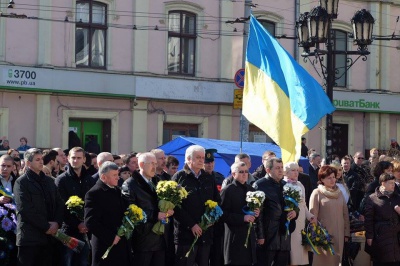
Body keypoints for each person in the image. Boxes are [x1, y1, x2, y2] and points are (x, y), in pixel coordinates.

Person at [171, 145, 221, 266]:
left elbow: (217, 201)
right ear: (188, 158)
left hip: (205, 233)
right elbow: (175, 205)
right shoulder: (179, 177)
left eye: (202, 157)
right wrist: (192, 225)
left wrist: (211, 218)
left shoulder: (208, 178)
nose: (201, 160)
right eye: (198, 157)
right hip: (186, 235)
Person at [14, 148, 64, 266]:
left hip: (49, 239)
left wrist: (57, 222)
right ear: (28, 163)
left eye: (41, 159)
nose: (41, 162)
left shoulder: (49, 181)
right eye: (37, 159)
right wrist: (46, 227)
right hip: (30, 239)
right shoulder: (21, 183)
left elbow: (59, 203)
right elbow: (25, 209)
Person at [122, 152, 172, 266]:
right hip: (143, 238)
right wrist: (155, 215)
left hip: (160, 237)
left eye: (155, 163)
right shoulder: (130, 185)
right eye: (151, 164)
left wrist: (168, 209)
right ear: (141, 164)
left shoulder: (157, 181)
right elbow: (130, 211)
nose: (154, 167)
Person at [84, 161, 132, 266]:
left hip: (121, 244)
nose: (118, 178)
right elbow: (90, 222)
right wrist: (110, 237)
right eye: (114, 175)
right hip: (105, 245)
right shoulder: (94, 193)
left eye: (117, 175)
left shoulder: (117, 190)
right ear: (104, 177)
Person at [253, 158, 297, 266]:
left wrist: (295, 213)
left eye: (281, 167)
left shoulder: (286, 185)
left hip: (284, 237)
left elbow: (294, 206)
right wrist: (260, 235)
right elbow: (258, 214)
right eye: (277, 168)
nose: (281, 170)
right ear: (268, 170)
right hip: (268, 237)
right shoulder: (260, 185)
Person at [55, 147, 95, 266]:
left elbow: (93, 204)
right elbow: (60, 207)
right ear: (68, 159)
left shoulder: (89, 180)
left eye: (79, 158)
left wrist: (87, 222)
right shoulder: (61, 180)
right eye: (73, 158)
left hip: (86, 230)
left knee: (84, 262)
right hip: (67, 231)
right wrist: (77, 224)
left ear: (84, 159)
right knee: (67, 261)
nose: (75, 160)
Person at [309, 165, 350, 265]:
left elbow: (345, 214)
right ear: (322, 179)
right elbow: (312, 216)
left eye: (333, 177)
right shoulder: (317, 193)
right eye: (329, 178)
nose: (332, 180)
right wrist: (315, 235)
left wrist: (346, 233)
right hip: (324, 235)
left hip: (339, 234)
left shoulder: (339, 193)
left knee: (337, 261)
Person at [220, 162, 259, 265]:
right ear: (233, 174)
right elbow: (222, 214)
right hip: (234, 237)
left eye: (246, 171)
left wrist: (257, 212)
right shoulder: (227, 191)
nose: (244, 174)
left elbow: (257, 213)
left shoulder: (251, 190)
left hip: (249, 236)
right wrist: (242, 218)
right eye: (241, 172)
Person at [283, 162, 315, 266]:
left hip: (301, 223)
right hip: (290, 223)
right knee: (292, 254)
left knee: (301, 253)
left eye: (297, 170)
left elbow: (303, 205)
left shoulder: (300, 185)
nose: (296, 172)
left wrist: (309, 216)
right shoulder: (283, 185)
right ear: (286, 172)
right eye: (293, 170)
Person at [365, 173, 400, 266]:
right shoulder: (373, 198)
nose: (393, 185)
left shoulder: (397, 197)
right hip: (380, 236)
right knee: (381, 261)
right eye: (391, 183)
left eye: (394, 183)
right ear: (383, 183)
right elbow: (368, 219)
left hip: (396, 236)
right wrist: (369, 236)